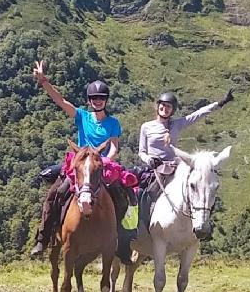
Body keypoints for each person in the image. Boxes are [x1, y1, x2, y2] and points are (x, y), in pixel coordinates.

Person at [29, 60, 122, 258]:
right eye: (94, 98)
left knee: (123, 197)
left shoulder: (113, 122)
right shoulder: (82, 116)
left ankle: (122, 240)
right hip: (80, 164)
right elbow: (61, 101)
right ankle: (42, 238)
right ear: (89, 100)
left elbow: (113, 146)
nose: (97, 101)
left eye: (101, 98)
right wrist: (43, 80)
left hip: (101, 165)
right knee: (55, 193)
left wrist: (104, 160)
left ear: (106, 100)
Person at [138, 89, 233, 180]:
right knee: (141, 191)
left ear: (172, 110)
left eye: (169, 106)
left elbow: (198, 114)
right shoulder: (146, 127)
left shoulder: (177, 124)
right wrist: (148, 159)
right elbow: (141, 152)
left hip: (173, 167)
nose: (165, 108)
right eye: (163, 104)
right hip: (154, 168)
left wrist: (220, 103)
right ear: (158, 106)